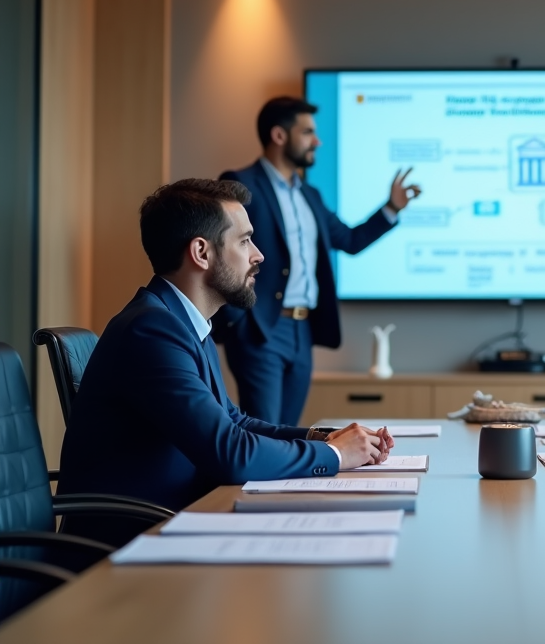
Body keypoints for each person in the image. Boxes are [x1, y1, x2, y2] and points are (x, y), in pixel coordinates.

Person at [57, 179, 394, 546]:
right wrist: (333, 454)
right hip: (125, 551)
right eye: (245, 240)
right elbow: (230, 453)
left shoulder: (181, 323)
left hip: (174, 527)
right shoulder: (152, 330)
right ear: (201, 252)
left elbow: (235, 422)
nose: (258, 255)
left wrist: (323, 437)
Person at [215, 96, 421, 425]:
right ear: (279, 135)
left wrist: (391, 208)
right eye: (308, 132)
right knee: (263, 432)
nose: (317, 141)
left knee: (289, 430)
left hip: (303, 330)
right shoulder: (241, 183)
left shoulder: (310, 195)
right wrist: (236, 321)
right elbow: (220, 249)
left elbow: (350, 241)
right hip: (261, 328)